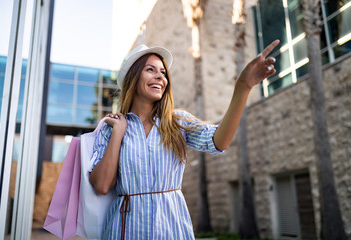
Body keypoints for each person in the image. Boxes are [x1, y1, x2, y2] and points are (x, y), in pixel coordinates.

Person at [89, 40, 279, 239]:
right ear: (132, 77)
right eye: (150, 69)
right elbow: (102, 186)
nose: (160, 77)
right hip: (124, 231)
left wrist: (243, 87)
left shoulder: (177, 122)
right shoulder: (111, 128)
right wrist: (118, 134)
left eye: (163, 72)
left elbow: (218, 142)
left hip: (171, 229)